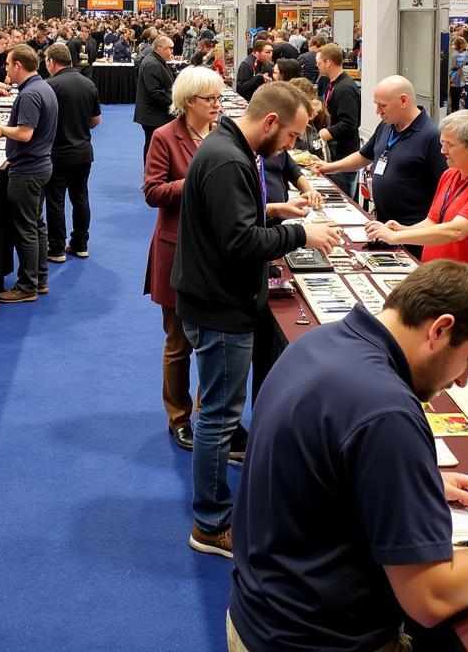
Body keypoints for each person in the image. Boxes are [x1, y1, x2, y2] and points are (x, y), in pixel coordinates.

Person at [229, 261, 468, 651]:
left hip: (259, 616)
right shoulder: (387, 412)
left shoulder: (317, 342)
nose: (463, 381)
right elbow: (431, 599)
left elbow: (322, 468)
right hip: (318, 640)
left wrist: (412, 480)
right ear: (441, 329)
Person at [172, 83, 342, 557]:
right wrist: (299, 232)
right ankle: (210, 522)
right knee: (220, 419)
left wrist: (271, 210)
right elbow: (239, 242)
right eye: (290, 136)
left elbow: (228, 217)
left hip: (215, 298)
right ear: (270, 123)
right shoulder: (228, 158)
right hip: (219, 306)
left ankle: (214, 510)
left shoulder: (228, 147)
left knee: (219, 414)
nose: (291, 148)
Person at [365, 110, 468, 315]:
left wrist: (396, 237)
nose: (443, 150)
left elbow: (456, 231)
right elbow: (433, 221)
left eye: (450, 145)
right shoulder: (451, 175)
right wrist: (404, 229)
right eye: (442, 143)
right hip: (443, 292)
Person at [143, 67, 222, 452]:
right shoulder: (164, 137)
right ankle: (178, 416)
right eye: (211, 100)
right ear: (190, 101)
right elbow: (153, 191)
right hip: (176, 252)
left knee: (214, 339)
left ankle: (210, 412)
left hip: (218, 253)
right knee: (178, 342)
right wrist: (198, 180)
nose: (217, 106)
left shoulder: (225, 134)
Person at [315, 76, 447, 258]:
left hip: (412, 232)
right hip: (383, 225)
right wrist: (329, 167)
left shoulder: (431, 136)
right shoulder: (387, 126)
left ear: (403, 101)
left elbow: (446, 187)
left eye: (382, 106)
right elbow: (364, 156)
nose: (377, 111)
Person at [0, 44, 59, 303]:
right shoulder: (44, 88)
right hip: (40, 166)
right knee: (36, 225)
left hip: (28, 170)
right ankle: (39, 279)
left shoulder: (30, 94)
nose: (7, 68)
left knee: (26, 230)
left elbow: (24, 133)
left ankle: (27, 286)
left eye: (8, 64)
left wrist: (1, 129)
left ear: (18, 65)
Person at [43, 44, 101, 262]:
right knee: (81, 198)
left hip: (57, 152)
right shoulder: (88, 84)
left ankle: (56, 248)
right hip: (83, 151)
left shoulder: (48, 85)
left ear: (51, 61)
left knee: (55, 200)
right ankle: (80, 243)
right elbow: (96, 120)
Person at [316, 42, 361, 196]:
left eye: (319, 63)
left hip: (345, 154)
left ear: (328, 63)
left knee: (343, 195)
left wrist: (326, 133)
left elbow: (349, 123)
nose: (318, 66)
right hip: (337, 151)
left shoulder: (345, 88)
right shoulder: (332, 84)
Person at [133, 34, 175, 165]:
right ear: (160, 48)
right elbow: (155, 92)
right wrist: (175, 105)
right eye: (169, 48)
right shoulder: (152, 63)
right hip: (153, 115)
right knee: (153, 147)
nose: (171, 52)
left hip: (155, 114)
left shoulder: (156, 61)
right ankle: (150, 177)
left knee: (154, 146)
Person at [449, 35, 468, 110]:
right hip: (455, 77)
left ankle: (454, 110)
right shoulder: (454, 54)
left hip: (459, 77)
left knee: (456, 97)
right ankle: (454, 110)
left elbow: (466, 63)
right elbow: (454, 67)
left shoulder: (463, 53)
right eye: (463, 44)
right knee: (455, 97)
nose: (465, 45)